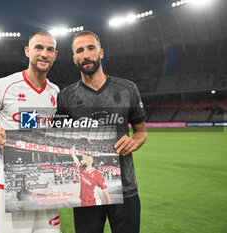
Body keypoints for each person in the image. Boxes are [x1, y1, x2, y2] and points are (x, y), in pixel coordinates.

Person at [57, 31, 147, 233]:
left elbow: (141, 132)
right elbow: (60, 140)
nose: (86, 54)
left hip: (125, 187)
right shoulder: (65, 97)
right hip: (87, 193)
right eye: (80, 50)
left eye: (91, 48)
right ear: (74, 58)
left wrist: (134, 142)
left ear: (101, 52)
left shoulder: (127, 89)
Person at [0, 31, 61, 233]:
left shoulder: (56, 92)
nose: (44, 54)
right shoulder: (3, 86)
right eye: (38, 47)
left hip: (46, 185)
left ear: (56, 55)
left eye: (50, 49)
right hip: (10, 187)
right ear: (28, 51)